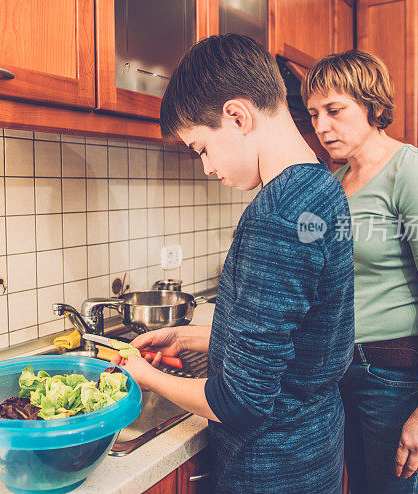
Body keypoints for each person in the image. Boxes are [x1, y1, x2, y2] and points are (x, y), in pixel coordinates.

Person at [111, 34, 354, 493]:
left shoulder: (276, 217)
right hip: (314, 446)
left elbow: (239, 402)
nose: (205, 167)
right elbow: (298, 338)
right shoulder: (321, 187)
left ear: (237, 116)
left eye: (201, 147)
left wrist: (143, 374)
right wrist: (186, 335)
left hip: (270, 465)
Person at [302, 49, 418, 493]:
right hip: (343, 373)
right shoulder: (334, 183)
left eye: (335, 110)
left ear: (372, 107)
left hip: (397, 378)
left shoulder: (414, 174)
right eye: (314, 113)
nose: (321, 126)